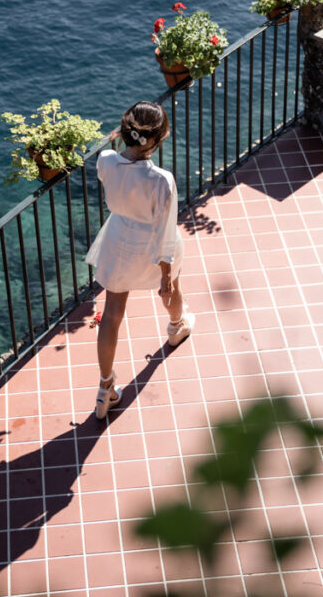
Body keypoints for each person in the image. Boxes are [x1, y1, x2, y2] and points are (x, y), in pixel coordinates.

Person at [86, 100, 195, 418]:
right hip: (149, 246)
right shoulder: (161, 180)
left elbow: (111, 165)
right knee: (174, 289)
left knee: (112, 314)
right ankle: (176, 326)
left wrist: (113, 140)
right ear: (160, 139)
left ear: (123, 131)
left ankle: (106, 388)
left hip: (119, 241)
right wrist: (165, 275)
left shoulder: (105, 161)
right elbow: (164, 229)